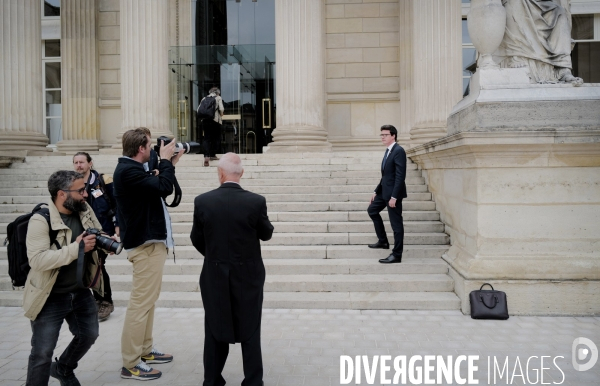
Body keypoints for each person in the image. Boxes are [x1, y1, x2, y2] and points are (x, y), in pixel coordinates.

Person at [190, 152, 274, 386]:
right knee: (250, 328)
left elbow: (196, 238)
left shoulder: (203, 201)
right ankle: (253, 381)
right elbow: (266, 234)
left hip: (214, 273)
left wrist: (216, 257)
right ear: (242, 173)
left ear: (220, 173)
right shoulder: (256, 201)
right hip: (248, 274)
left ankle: (212, 380)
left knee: (214, 328)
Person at [113, 128, 184, 381]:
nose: (154, 148)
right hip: (144, 246)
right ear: (141, 148)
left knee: (148, 301)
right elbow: (164, 187)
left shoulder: (134, 169)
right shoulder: (127, 171)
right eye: (150, 145)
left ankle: (144, 349)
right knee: (140, 304)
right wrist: (165, 162)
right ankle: (131, 363)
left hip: (150, 243)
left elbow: (158, 184)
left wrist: (169, 162)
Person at [24, 170, 104, 385]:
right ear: (61, 194)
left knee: (89, 335)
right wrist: (76, 248)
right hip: (49, 295)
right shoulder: (41, 220)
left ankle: (63, 369)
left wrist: (105, 242)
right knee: (42, 353)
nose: (85, 194)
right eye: (80, 190)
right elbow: (38, 260)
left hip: (79, 291)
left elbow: (97, 231)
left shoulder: (83, 209)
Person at [73, 152, 118, 321]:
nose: (78, 165)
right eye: (76, 162)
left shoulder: (103, 180)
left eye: (82, 162)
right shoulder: (71, 183)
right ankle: (95, 301)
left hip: (102, 230)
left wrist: (117, 226)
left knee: (98, 265)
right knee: (89, 266)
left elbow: (116, 203)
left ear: (90, 163)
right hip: (81, 232)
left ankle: (105, 302)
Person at [500, 0, 583, 84]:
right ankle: (517, 55)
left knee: (560, 11)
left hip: (539, 2)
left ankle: (562, 68)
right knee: (515, 2)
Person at [367, 125, 407, 264]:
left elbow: (400, 176)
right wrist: (376, 191)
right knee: (372, 210)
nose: (382, 137)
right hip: (384, 192)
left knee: (396, 225)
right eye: (381, 135)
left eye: (385, 135)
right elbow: (386, 176)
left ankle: (397, 254)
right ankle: (383, 241)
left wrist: (394, 197)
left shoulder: (399, 151)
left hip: (392, 196)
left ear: (393, 136)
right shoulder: (388, 151)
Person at [199, 87, 225, 167]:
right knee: (216, 138)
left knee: (207, 138)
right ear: (218, 93)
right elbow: (221, 109)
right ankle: (213, 154)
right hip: (215, 121)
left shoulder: (204, 98)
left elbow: (198, 110)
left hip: (205, 121)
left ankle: (206, 156)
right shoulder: (218, 98)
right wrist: (221, 115)